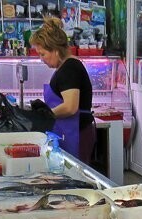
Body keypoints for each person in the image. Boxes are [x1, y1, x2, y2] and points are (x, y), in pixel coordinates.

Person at [30, 17, 96, 162]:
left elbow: (70, 107)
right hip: (70, 131)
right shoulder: (66, 66)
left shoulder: (69, 68)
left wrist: (46, 114)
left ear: (55, 50)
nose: (41, 59)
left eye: (43, 54)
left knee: (77, 177)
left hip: (76, 133)